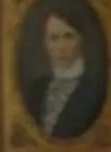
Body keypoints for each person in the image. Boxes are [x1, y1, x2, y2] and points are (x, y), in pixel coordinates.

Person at [31, 10, 97, 140]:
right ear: (45, 43)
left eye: (69, 37)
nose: (61, 47)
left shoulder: (94, 90)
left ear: (81, 40)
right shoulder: (36, 90)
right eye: (54, 38)